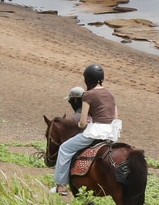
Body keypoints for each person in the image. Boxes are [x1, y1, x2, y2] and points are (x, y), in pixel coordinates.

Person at [51, 64, 121, 196]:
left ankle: (61, 186)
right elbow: (115, 116)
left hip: (96, 132)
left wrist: (79, 125)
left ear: (87, 79)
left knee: (65, 148)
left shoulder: (88, 95)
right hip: (112, 132)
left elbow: (83, 122)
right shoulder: (110, 93)